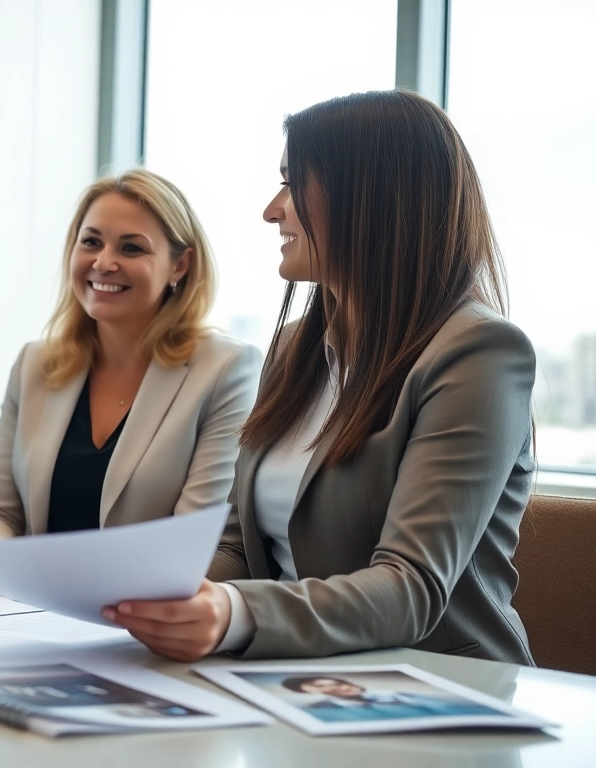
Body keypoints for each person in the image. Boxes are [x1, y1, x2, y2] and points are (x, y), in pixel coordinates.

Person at [102, 90, 536, 665]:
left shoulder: (479, 353)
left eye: (292, 182)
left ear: (373, 199)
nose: (272, 209)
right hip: (295, 679)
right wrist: (133, 594)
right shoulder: (292, 350)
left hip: (441, 693)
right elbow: (237, 547)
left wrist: (231, 613)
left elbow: (411, 587)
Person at [0, 169, 261, 592]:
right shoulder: (35, 364)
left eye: (131, 247)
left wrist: (39, 577)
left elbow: (192, 544)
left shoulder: (225, 369)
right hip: (22, 614)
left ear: (179, 265)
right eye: (91, 241)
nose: (104, 262)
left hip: (138, 619)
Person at [280, 676, 503, 721]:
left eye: (336, 683)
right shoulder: (322, 713)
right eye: (322, 687)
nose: (338, 688)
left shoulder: (406, 695)